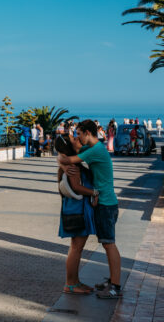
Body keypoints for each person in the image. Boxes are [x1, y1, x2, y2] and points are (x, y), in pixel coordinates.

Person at [58, 120, 122, 299]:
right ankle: (112, 282)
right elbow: (64, 155)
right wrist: (64, 162)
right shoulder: (93, 149)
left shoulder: (96, 150)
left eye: (79, 134)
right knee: (107, 243)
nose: (77, 137)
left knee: (109, 243)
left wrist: (64, 163)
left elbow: (67, 158)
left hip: (106, 203)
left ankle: (115, 286)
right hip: (104, 202)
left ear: (87, 132)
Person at [55, 134, 98, 295]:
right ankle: (70, 284)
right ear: (69, 146)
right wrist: (94, 192)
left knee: (76, 248)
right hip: (78, 210)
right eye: (73, 138)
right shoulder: (73, 167)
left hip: (76, 208)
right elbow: (77, 187)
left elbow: (60, 155)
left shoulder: (71, 162)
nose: (77, 138)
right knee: (76, 248)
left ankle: (75, 281)